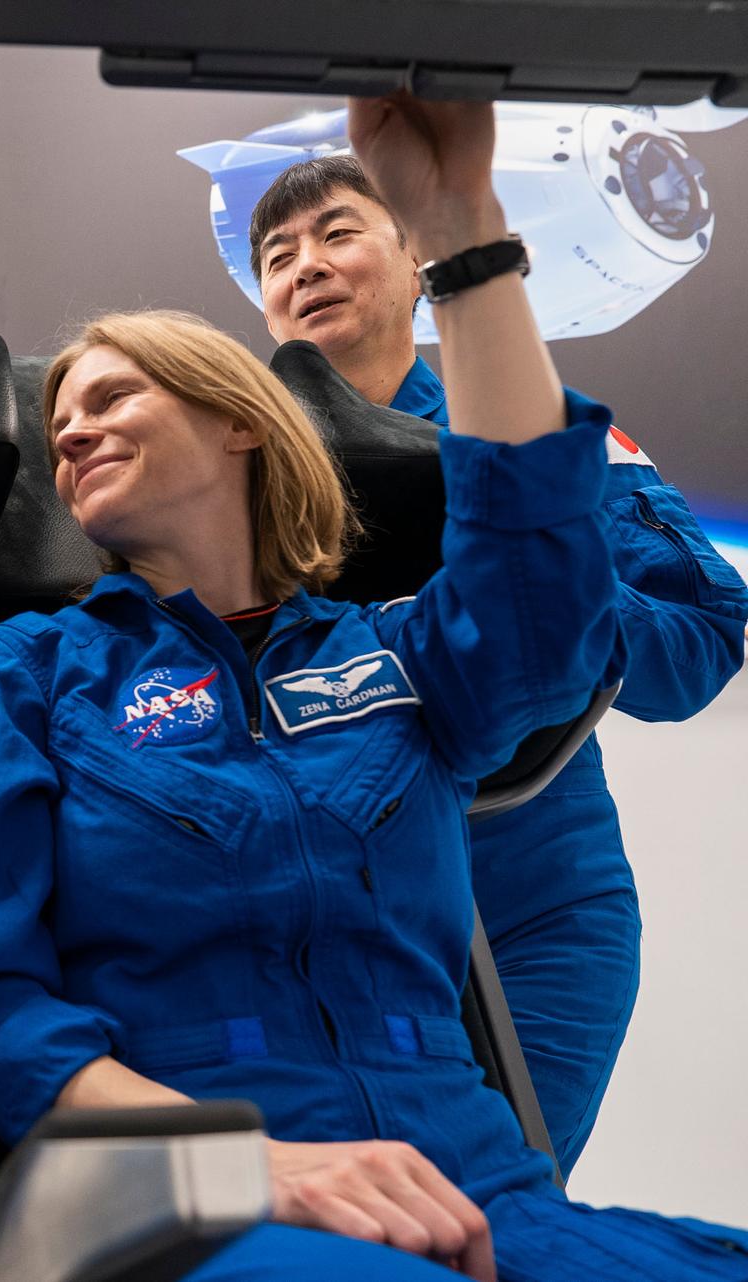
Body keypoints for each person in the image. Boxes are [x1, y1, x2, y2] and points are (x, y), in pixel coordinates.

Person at [0, 95, 748, 1280]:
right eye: (59, 423)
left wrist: (464, 228)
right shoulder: (25, 676)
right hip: (195, 1185)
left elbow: (543, 603)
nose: (73, 433)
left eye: (113, 397)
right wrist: (240, 1159)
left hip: (476, 1183)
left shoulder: (393, 651)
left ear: (242, 423)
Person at [246, 152, 748, 1176]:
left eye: (339, 233)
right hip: (303, 933)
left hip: (532, 925)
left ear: (416, 253)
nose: (307, 265)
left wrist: (532, 591)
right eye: (278, 254)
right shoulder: (218, 466)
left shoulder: (542, 436)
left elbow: (705, 635)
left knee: (482, 1227)